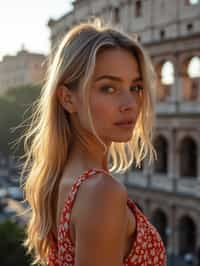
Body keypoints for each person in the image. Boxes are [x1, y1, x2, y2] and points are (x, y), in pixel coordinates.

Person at [21, 18, 167, 266]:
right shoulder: (101, 192)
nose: (130, 104)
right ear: (68, 99)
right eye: (108, 88)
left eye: (136, 87)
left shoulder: (59, 178)